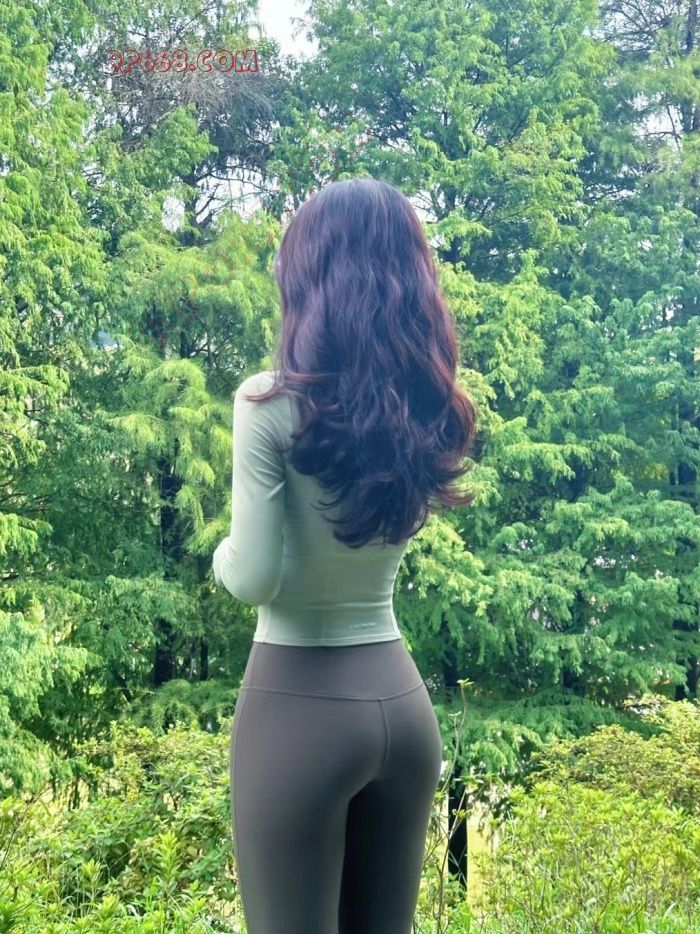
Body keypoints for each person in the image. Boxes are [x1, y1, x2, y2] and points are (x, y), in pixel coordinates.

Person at [212, 176, 477, 934]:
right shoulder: (425, 407)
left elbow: (254, 576)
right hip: (402, 706)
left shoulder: (268, 402)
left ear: (309, 277)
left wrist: (220, 555)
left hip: (298, 709)